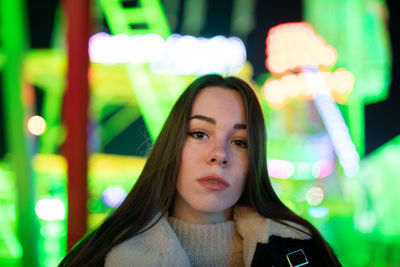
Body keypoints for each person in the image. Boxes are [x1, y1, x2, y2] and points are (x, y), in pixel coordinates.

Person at [60, 74, 341, 266]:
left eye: (239, 141)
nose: (220, 155)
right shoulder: (98, 257)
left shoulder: (301, 251)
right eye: (199, 134)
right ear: (172, 144)